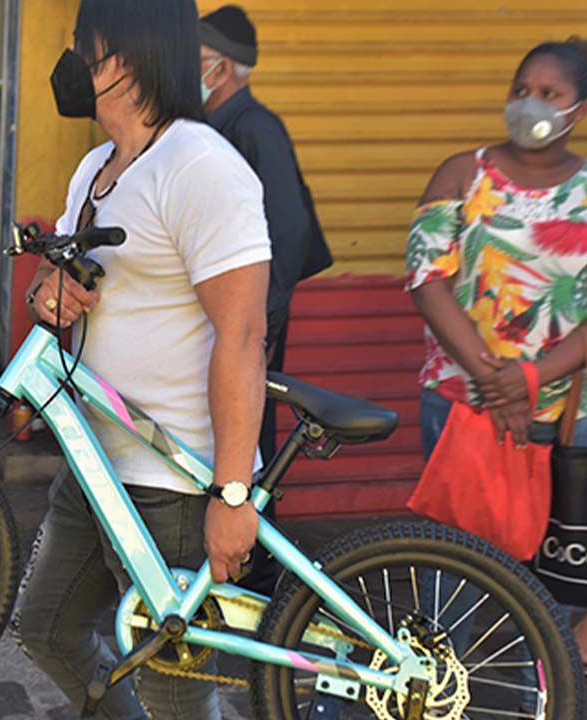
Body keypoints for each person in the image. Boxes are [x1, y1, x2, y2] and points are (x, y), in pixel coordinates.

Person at [9, 0, 271, 716]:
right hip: (96, 463)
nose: (68, 63)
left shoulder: (201, 167)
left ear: (125, 56)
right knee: (46, 630)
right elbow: (53, 283)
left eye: (81, 46)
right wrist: (48, 292)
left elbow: (243, 334)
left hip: (174, 482)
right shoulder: (96, 169)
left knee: (171, 688)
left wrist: (232, 496)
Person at [406, 37, 587, 677]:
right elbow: (427, 280)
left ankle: (540, 692)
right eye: (521, 90)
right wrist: (495, 381)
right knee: (456, 564)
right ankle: (433, 687)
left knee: (555, 575)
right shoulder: (460, 175)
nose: (530, 104)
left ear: (579, 109)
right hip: (465, 406)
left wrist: (531, 378)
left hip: (571, 415)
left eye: (549, 94)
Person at [199, 4, 333, 596]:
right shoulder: (214, 125)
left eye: (195, 58)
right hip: (232, 316)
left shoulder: (255, 127)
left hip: (252, 319)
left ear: (222, 66)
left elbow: (290, 229)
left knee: (249, 441)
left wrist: (263, 321)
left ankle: (257, 575)